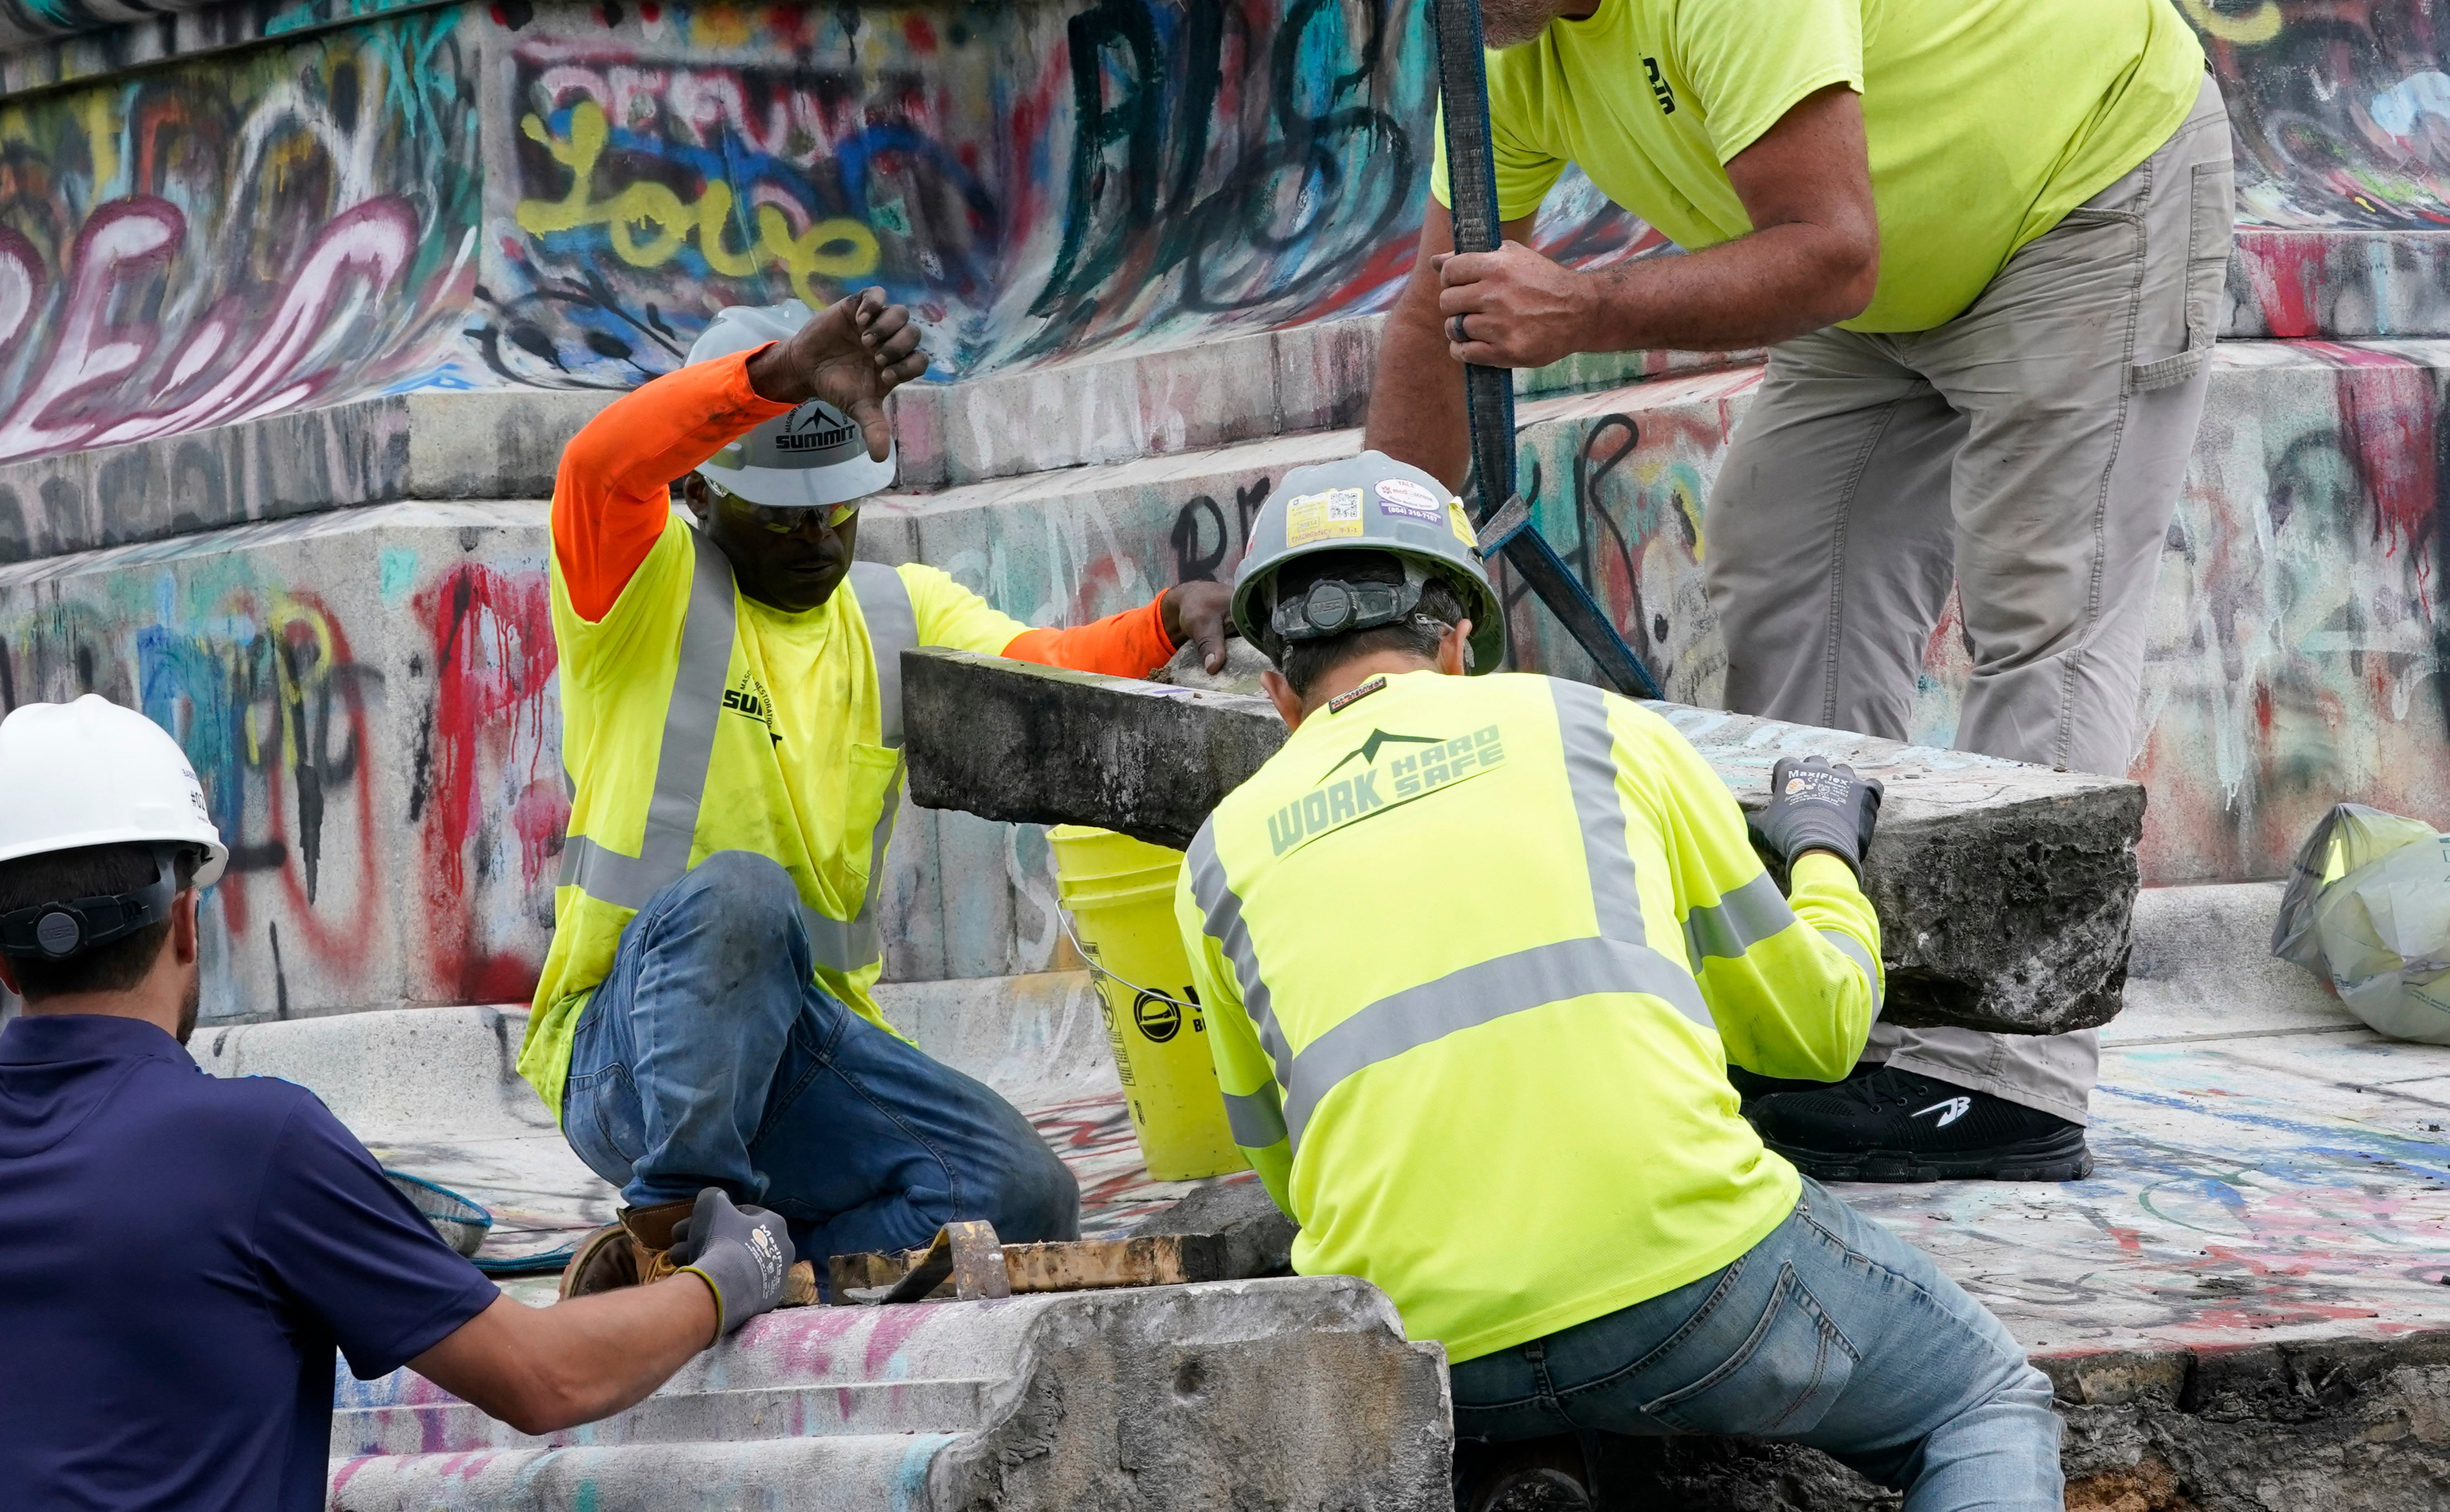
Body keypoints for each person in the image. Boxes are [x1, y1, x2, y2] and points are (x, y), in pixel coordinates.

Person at [1354, 0, 2233, 1180]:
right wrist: (1363, 576)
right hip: (1884, 273)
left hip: (2083, 195)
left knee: (2043, 616)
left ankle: (2004, 1081)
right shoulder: (1505, 44)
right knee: (1775, 585)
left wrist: (1583, 312)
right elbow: (1435, 308)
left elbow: (1826, 250)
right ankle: (1810, 1019)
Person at [1177, 456, 2061, 1511]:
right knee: (1982, 1401)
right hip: (1689, 1280)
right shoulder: (1595, 730)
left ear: (1278, 690)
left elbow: (1286, 1170)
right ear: (1460, 641)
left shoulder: (1213, 860)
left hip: (1419, 1337)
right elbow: (1818, 1030)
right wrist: (1822, 849)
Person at [520, 289, 1235, 1293]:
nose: (817, 535)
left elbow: (1041, 664)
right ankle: (674, 1233)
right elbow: (600, 464)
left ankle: (759, 1267)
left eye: (838, 509)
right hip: (628, 1055)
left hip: (804, 1050)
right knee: (743, 892)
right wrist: (771, 375)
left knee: (1022, 1190)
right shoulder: (640, 586)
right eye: (784, 514)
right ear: (702, 496)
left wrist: (1165, 619)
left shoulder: (895, 613)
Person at [0, 695, 802, 1512]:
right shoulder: (253, 1146)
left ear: (4, 963)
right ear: (183, 923)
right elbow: (543, 1377)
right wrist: (732, 1274)